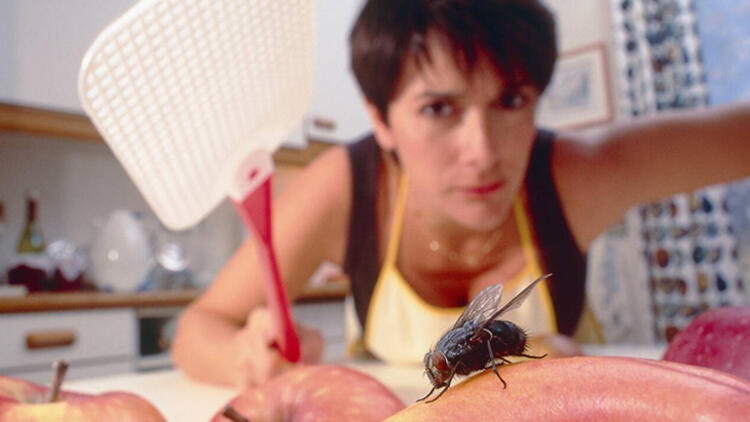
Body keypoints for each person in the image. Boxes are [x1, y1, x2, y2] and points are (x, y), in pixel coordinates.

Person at [171, 0, 750, 388]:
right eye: (438, 108)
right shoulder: (345, 189)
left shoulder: (572, 176)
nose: (483, 151)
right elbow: (200, 326)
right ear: (380, 118)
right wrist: (244, 356)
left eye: (511, 100)